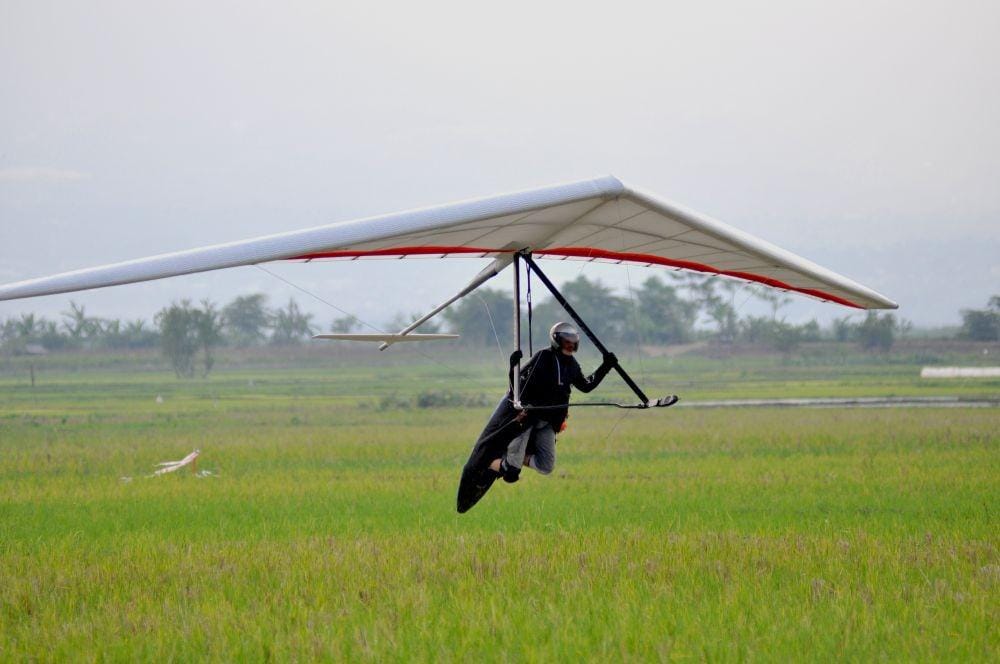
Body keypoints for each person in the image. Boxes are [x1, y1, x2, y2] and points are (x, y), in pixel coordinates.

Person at [469, 321, 617, 486]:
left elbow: (586, 385)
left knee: (546, 466)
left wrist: (605, 366)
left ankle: (517, 456)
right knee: (511, 474)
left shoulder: (572, 365)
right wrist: (513, 367)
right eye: (566, 342)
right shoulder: (543, 357)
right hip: (527, 420)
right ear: (557, 341)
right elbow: (516, 387)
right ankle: (489, 462)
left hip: (547, 423)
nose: (570, 346)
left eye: (573, 343)